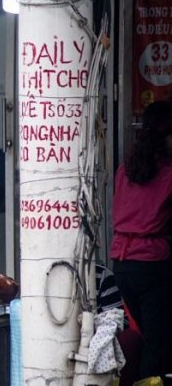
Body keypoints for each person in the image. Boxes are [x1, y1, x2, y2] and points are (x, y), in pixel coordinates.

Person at [109, 100, 172, 382]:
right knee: (159, 346)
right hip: (152, 264)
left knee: (150, 337)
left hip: (123, 265)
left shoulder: (126, 170)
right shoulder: (168, 173)